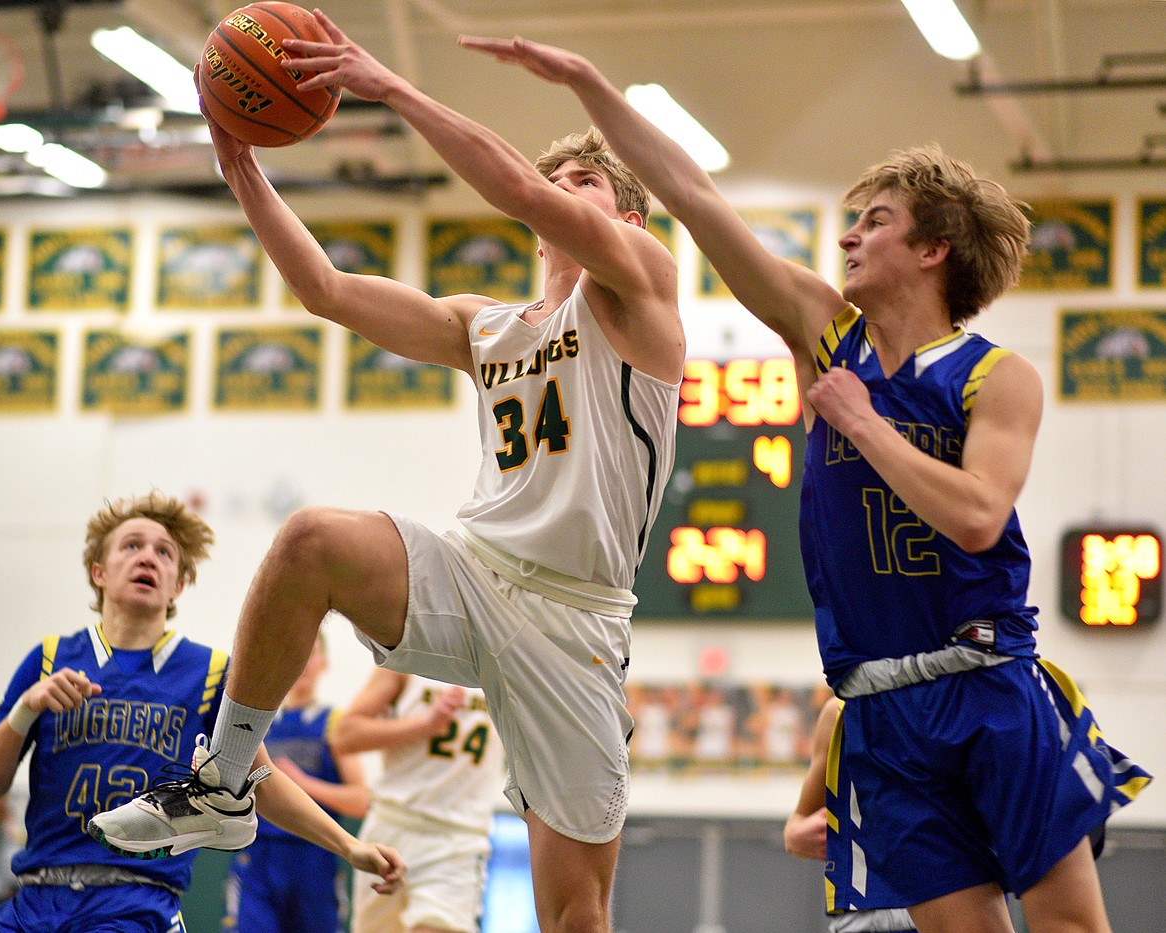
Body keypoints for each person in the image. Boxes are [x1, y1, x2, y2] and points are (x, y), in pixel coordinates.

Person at [458, 37, 1153, 933]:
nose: (849, 233)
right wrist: (593, 89)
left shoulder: (995, 375)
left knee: (1067, 925)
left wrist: (861, 423)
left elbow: (980, 517)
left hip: (988, 681)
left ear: (935, 247)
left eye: (875, 219)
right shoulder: (826, 332)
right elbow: (695, 198)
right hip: (876, 706)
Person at [88, 11, 684, 933]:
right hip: (476, 571)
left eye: (587, 182)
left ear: (629, 218)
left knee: (575, 913)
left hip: (578, 619)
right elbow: (325, 290)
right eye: (559, 179)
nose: (562, 190)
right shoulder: (486, 327)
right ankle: (226, 778)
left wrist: (396, 88)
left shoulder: (642, 283)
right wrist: (240, 168)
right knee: (310, 540)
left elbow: (520, 186)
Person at [0, 492, 402, 933]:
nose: (148, 557)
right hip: (34, 899)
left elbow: (262, 781)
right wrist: (23, 710)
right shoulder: (50, 659)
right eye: (131, 545)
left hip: (136, 901)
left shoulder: (211, 673)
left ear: (179, 583)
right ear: (99, 572)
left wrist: (347, 846)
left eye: (164, 552)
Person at [329, 669, 504, 933]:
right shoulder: (405, 654)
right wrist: (426, 724)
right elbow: (344, 737)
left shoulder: (505, 660)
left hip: (458, 838)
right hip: (391, 826)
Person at [222, 633, 370, 933]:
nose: (302, 660)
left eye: (310, 652)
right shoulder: (257, 722)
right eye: (294, 650)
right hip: (258, 854)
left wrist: (302, 784)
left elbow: (360, 800)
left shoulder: (334, 722)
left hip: (313, 855)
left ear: (323, 663)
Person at [785, 696, 916, 933]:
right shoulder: (839, 711)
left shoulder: (959, 700)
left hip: (945, 906)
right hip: (860, 916)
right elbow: (799, 821)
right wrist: (796, 837)